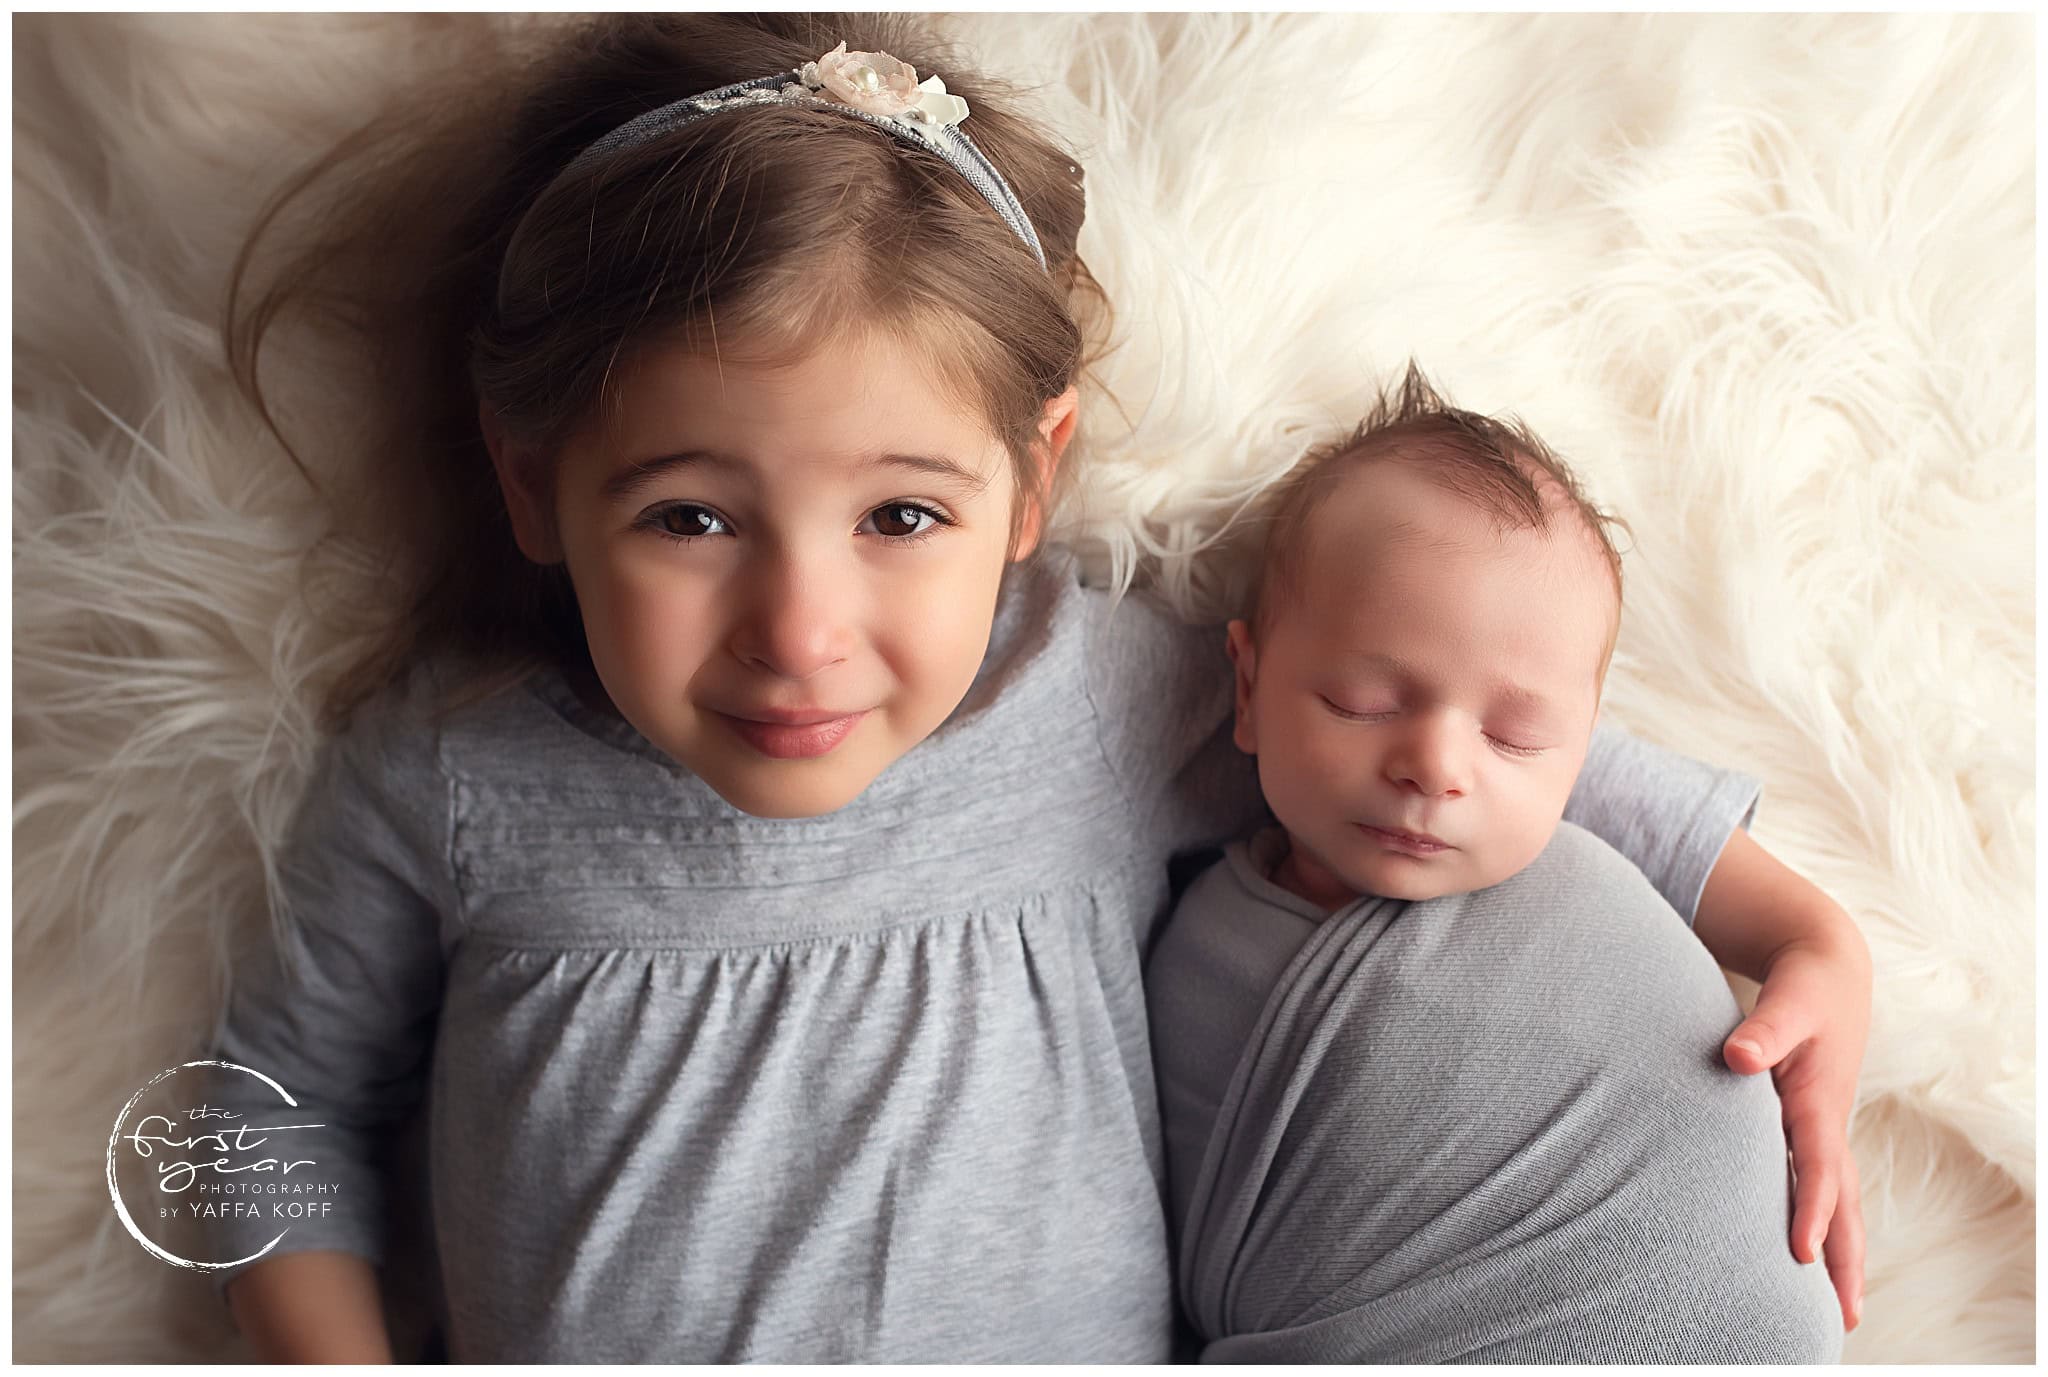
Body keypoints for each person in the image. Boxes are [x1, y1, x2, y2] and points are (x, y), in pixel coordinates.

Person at [197, 14, 1868, 1362]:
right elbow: (270, 1108)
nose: (801, 629)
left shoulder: (1089, 702)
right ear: (531, 484)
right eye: (689, 516)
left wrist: (1803, 932)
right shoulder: (451, 774)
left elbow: (1453, 731)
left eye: (903, 516)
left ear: (1029, 485)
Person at [1147, 367, 1851, 1360]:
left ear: (1582, 753)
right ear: (1249, 685)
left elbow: (1798, 932)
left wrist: (1830, 955)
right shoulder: (1191, 916)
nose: (1435, 767)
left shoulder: (1594, 833)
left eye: (1516, 737)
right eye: (1360, 699)